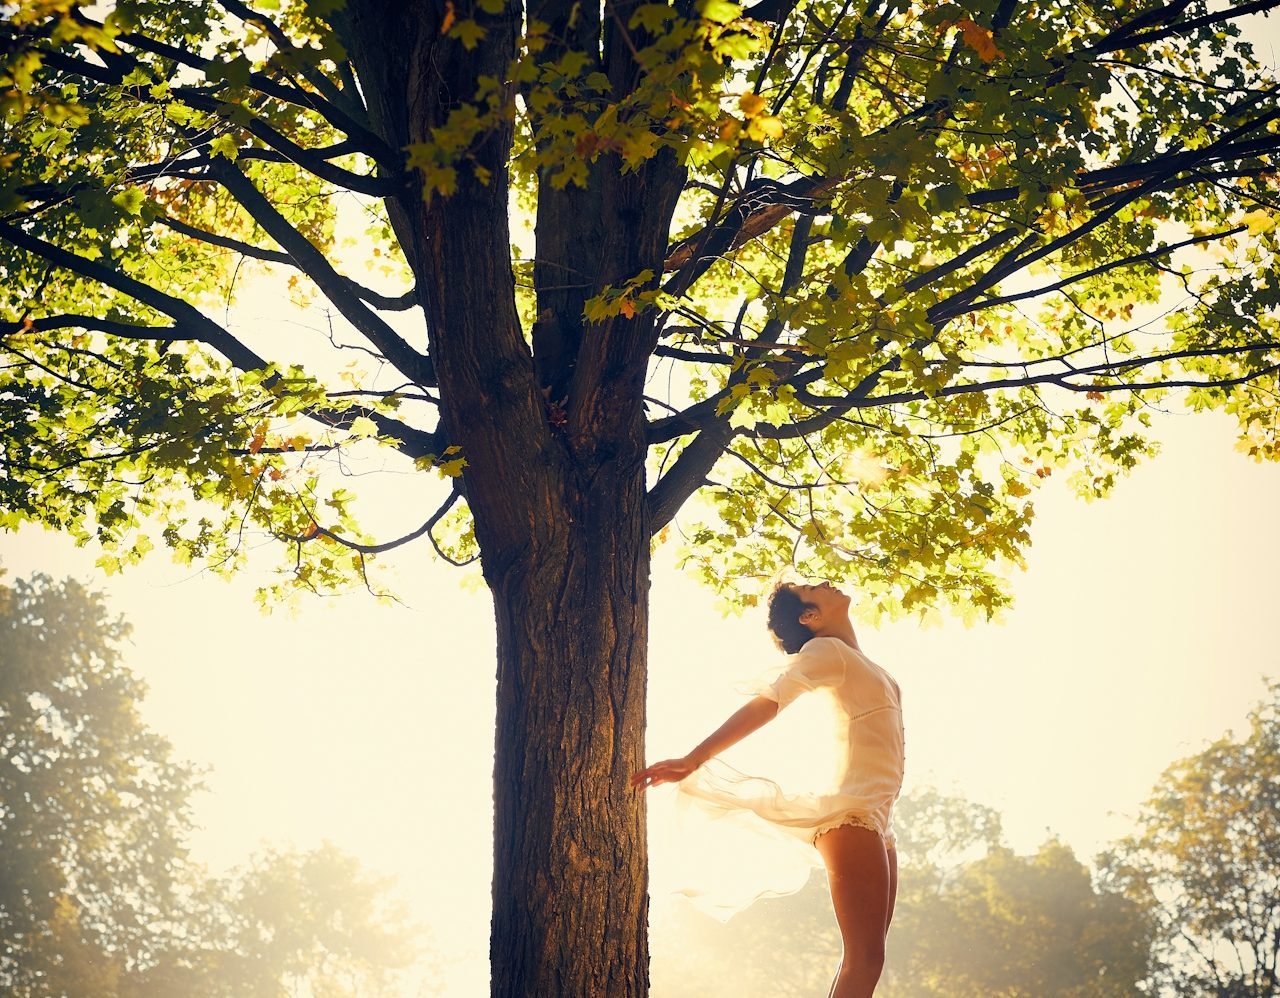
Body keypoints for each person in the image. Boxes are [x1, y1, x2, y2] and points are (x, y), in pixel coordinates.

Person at [632, 579, 905, 998]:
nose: (825, 582)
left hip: (879, 817)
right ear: (809, 617)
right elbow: (770, 701)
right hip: (852, 814)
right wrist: (695, 758)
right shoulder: (826, 651)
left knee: (870, 959)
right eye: (813, 588)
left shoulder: (859, 661)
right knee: (864, 958)